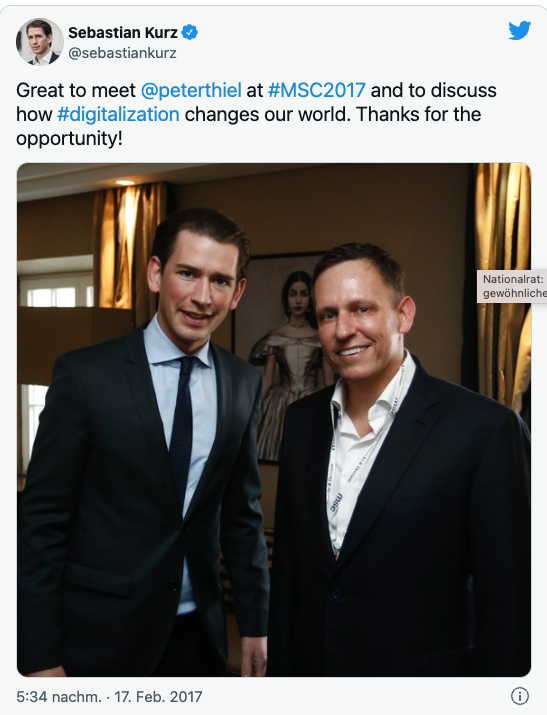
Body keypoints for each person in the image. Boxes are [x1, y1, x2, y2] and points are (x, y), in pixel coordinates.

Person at [18, 208, 270, 677]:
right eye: (187, 273)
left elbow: (242, 516)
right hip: (98, 637)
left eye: (219, 281)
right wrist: (38, 656)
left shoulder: (243, 383)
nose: (202, 297)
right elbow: (41, 525)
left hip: (200, 641)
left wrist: (255, 623)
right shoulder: (85, 375)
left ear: (237, 293)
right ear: (156, 274)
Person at [268, 243, 530, 677]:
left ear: (403, 314)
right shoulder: (301, 421)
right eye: (328, 315)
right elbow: (289, 575)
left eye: (362, 308)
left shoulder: (484, 429)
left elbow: (509, 601)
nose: (343, 329)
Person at [249, 271, 332, 461]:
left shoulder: (320, 337)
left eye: (304, 294)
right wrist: (252, 412)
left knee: (311, 458)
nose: (298, 300)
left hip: (313, 402)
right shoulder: (276, 336)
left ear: (311, 298)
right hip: (280, 405)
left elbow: (329, 381)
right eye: (293, 294)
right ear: (286, 298)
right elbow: (268, 379)